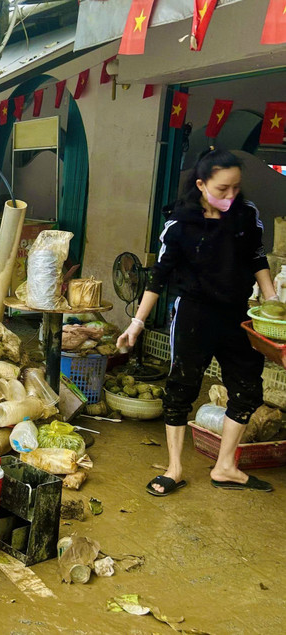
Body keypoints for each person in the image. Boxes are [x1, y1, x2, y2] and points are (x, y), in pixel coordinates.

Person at [117, 148, 277, 496]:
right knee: (181, 390)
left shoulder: (247, 215)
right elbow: (158, 277)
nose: (230, 196)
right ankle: (174, 469)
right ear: (202, 184)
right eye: (222, 189)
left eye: (236, 188)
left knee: (248, 390)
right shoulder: (180, 225)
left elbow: (257, 257)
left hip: (237, 316)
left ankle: (225, 466)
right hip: (193, 315)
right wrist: (137, 323)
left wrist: (272, 302)